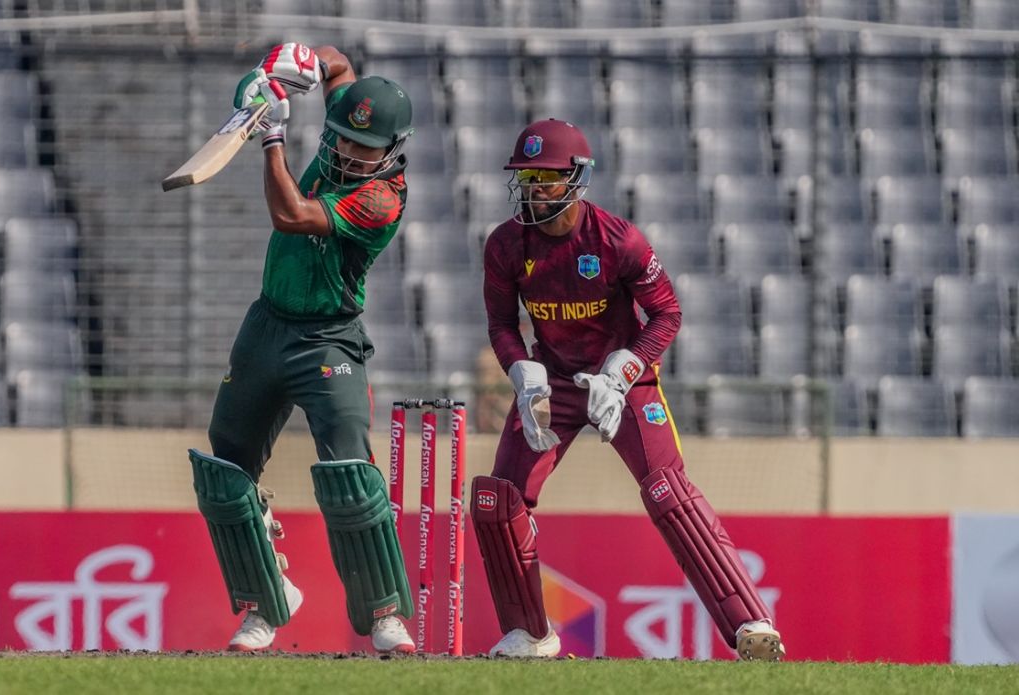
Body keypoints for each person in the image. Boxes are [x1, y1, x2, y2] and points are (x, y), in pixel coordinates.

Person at [471, 118, 786, 661]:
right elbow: (501, 323)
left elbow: (666, 313)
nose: (533, 189)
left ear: (576, 178)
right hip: (556, 388)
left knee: (668, 490)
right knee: (500, 501)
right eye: (525, 178)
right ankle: (531, 632)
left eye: (545, 178)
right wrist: (521, 370)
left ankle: (749, 624)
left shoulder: (617, 240)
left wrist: (624, 369)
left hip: (624, 385)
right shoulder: (505, 245)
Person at [188, 42, 417, 654]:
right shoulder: (349, 128)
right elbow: (338, 65)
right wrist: (290, 63)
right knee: (224, 471)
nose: (347, 152)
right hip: (267, 326)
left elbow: (290, 214)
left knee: (348, 474)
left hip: (328, 338)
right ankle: (266, 601)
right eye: (341, 138)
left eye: (364, 148)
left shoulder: (382, 198)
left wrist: (271, 138)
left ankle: (385, 611)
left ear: (392, 152)